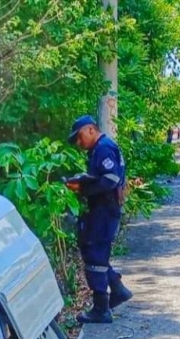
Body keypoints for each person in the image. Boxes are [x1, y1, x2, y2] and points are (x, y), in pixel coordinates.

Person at [65, 115, 134, 324]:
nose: (79, 143)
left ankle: (101, 309)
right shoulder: (100, 148)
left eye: (79, 137)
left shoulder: (103, 148)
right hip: (104, 210)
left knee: (94, 255)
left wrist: (84, 188)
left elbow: (111, 179)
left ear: (90, 130)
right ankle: (118, 289)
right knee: (96, 253)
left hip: (105, 211)